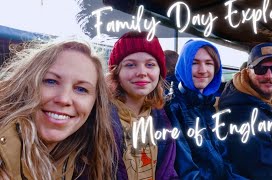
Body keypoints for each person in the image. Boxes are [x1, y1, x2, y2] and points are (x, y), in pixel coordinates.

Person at [0, 40, 117, 180]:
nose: (64, 99)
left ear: (95, 104)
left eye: (81, 89)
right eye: (51, 81)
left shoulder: (80, 161)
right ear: (25, 85)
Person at [218, 42, 272, 179]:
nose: (269, 75)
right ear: (247, 71)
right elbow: (268, 173)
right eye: (260, 68)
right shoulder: (239, 114)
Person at [165, 40, 244, 179]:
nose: (203, 70)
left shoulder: (207, 105)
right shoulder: (174, 108)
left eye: (209, 63)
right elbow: (186, 172)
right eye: (194, 63)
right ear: (183, 66)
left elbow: (223, 158)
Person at [107, 31, 178, 180]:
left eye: (150, 64)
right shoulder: (99, 119)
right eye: (130, 64)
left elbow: (168, 171)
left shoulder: (162, 118)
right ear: (116, 72)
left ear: (159, 72)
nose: (141, 72)